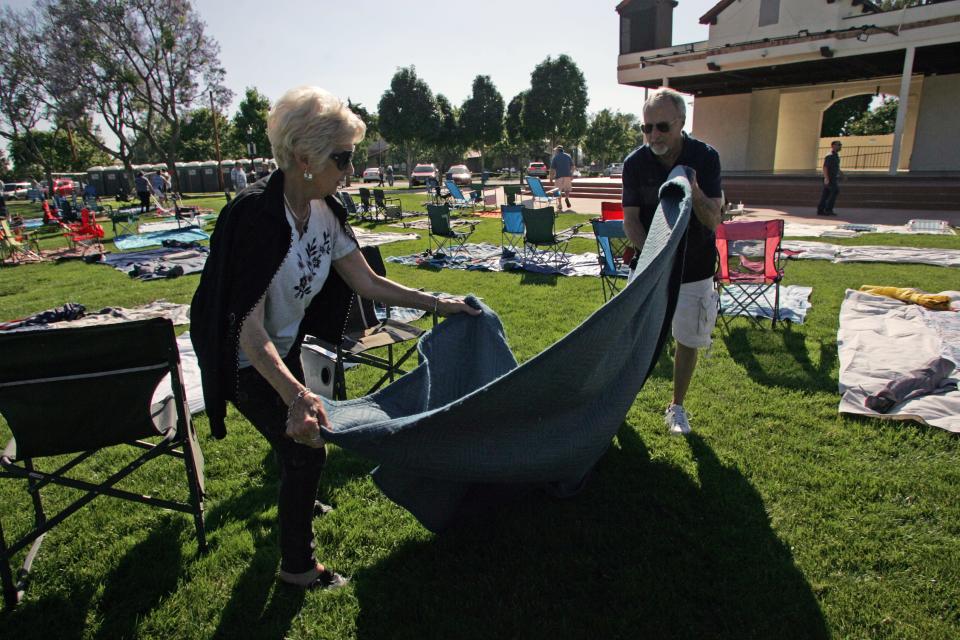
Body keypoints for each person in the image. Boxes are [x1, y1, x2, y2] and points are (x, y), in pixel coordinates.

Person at [190, 86, 481, 590]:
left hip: (278, 346)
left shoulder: (325, 210)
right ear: (304, 157)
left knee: (297, 447)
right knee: (307, 447)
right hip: (241, 355)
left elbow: (367, 281)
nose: (350, 170)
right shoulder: (255, 218)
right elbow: (246, 327)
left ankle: (298, 494)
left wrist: (440, 303)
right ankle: (297, 568)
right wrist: (297, 395)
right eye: (342, 158)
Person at [621, 88, 723, 436]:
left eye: (662, 126)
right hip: (650, 265)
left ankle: (676, 407)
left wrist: (693, 190)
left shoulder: (706, 158)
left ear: (682, 122)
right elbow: (631, 220)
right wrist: (652, 258)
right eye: (646, 128)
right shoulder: (635, 163)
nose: (653, 136)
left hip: (695, 266)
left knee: (688, 338)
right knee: (632, 336)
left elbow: (713, 219)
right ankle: (618, 401)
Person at [817, 140, 842, 216]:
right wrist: (826, 178)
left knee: (826, 194)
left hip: (833, 178)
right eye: (839, 145)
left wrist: (842, 174)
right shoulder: (830, 155)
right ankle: (828, 210)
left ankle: (821, 210)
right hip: (830, 178)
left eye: (840, 145)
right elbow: (825, 167)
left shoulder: (836, 155)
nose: (840, 146)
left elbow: (836, 167)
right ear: (833, 146)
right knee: (834, 191)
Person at [549, 145, 576, 212]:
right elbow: (573, 167)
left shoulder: (555, 157)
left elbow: (552, 169)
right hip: (567, 176)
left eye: (555, 151)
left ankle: (560, 204)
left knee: (558, 191)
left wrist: (551, 178)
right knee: (567, 189)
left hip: (559, 176)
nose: (555, 152)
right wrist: (571, 174)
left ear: (557, 151)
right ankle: (566, 197)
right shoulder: (568, 156)